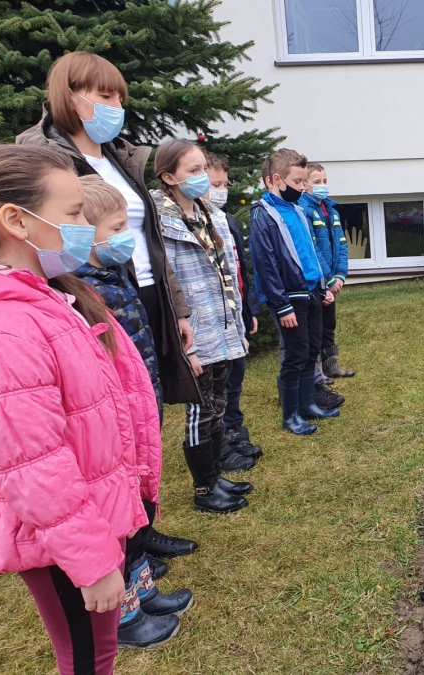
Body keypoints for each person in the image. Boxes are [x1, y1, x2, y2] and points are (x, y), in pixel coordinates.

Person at [0, 144, 163, 674]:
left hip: (88, 515)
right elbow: (31, 461)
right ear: (16, 220)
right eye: (75, 213)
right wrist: (90, 560)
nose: (85, 227)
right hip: (63, 535)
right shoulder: (2, 326)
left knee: (96, 652)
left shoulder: (47, 296)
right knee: (88, 658)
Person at [16, 50, 199, 559]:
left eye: (119, 96)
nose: (115, 106)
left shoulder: (121, 156)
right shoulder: (40, 155)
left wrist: (177, 309)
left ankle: (144, 526)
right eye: (103, 95)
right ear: (69, 96)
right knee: (109, 425)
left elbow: (149, 240)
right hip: (94, 300)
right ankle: (122, 543)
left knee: (145, 413)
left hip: (145, 296)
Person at [73, 176, 193, 649]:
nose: (128, 237)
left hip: (138, 408)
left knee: (137, 510)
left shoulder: (112, 275)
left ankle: (143, 590)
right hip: (113, 422)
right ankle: (123, 617)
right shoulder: (83, 290)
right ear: (83, 235)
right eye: (118, 228)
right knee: (118, 518)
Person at [152, 139, 254, 512]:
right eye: (193, 171)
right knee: (200, 409)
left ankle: (215, 476)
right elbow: (166, 285)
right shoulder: (159, 223)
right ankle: (204, 490)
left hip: (221, 326)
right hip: (194, 332)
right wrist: (187, 345)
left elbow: (228, 276)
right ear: (169, 177)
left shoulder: (210, 215)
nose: (202, 178)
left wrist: (236, 325)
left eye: (203, 171)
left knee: (218, 404)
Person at [250, 149, 339, 435]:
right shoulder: (264, 214)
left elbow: (309, 252)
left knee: (311, 350)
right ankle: (291, 416)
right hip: (290, 298)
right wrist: (281, 304)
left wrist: (322, 287)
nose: (303, 187)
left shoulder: (298, 210)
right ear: (276, 179)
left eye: (303, 182)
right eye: (298, 181)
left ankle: (307, 404)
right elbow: (265, 263)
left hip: (311, 291)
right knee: (295, 354)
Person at [205, 152, 264, 462]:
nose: (222, 191)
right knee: (220, 382)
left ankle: (234, 428)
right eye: (215, 184)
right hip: (214, 318)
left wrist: (249, 309)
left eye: (225, 184)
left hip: (236, 311)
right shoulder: (194, 224)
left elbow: (241, 270)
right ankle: (220, 437)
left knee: (236, 374)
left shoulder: (227, 220)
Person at [301, 162, 355, 380]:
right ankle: (316, 373)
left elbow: (341, 244)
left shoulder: (331, 210)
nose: (322, 185)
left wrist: (340, 275)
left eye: (325, 181)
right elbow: (313, 250)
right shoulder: (304, 210)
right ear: (305, 185)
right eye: (317, 182)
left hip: (333, 279)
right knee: (315, 326)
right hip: (318, 281)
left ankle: (331, 365)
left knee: (329, 323)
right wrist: (328, 279)